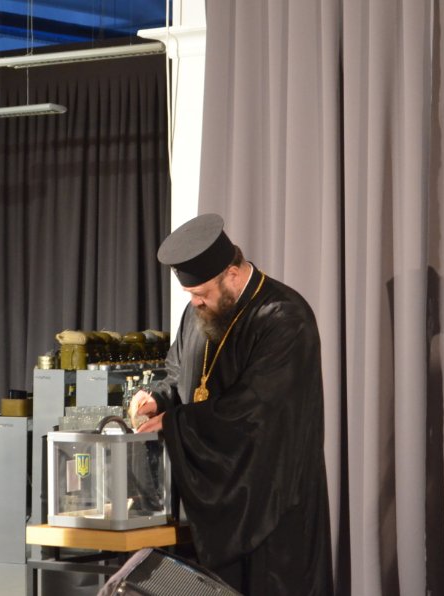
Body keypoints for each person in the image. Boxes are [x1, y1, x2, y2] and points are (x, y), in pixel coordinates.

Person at [131, 213, 333, 595]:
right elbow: (179, 372)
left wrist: (176, 424)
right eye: (190, 294)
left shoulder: (285, 317)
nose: (195, 302)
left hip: (273, 505)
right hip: (210, 506)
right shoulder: (200, 312)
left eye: (201, 293)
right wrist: (157, 398)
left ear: (233, 274)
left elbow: (257, 411)